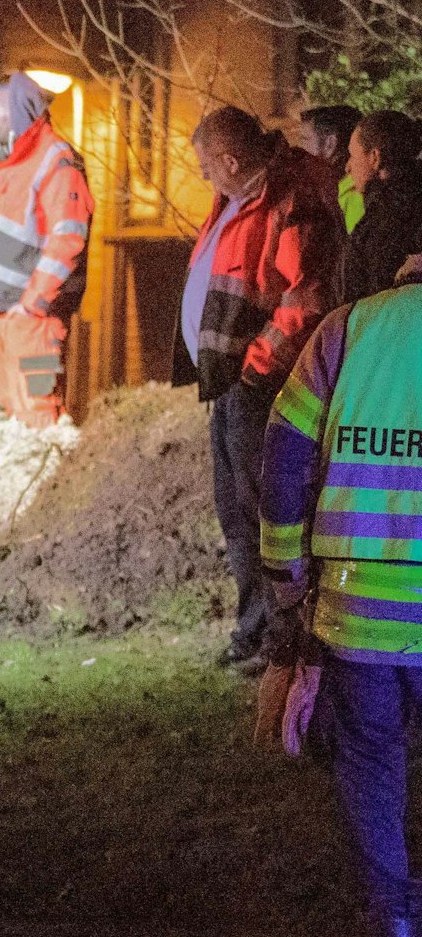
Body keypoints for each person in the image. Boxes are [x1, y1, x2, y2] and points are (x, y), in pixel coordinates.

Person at [258, 251, 422, 937]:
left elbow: (283, 455)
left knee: (371, 767)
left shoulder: (347, 330)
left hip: (357, 609)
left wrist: (285, 577)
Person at [184, 106, 341, 672]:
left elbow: (306, 294)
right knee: (236, 512)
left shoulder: (286, 196)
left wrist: (257, 365)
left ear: (230, 159)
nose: (202, 175)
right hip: (233, 382)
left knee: (264, 511)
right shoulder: (241, 195)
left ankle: (283, 638)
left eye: (206, 164)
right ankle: (255, 629)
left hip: (260, 384)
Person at [0, 72, 93, 429]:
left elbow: (68, 239)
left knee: (39, 411)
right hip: (5, 312)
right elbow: (22, 235)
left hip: (35, 320)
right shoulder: (7, 161)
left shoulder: (56, 160)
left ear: (15, 111)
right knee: (1, 417)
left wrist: (32, 305)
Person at [340, 109, 422, 305]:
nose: (348, 166)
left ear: (375, 157)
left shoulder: (386, 224)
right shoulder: (393, 206)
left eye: (352, 154)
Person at [298, 102, 366, 232]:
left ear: (330, 143)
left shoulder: (350, 193)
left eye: (305, 139)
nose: (300, 147)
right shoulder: (340, 187)